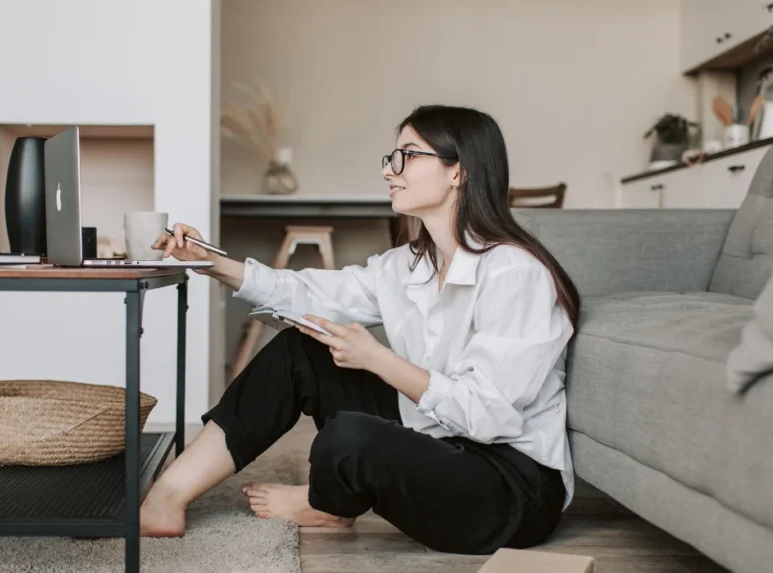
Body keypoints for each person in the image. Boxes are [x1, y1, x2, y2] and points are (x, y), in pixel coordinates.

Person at [141, 105, 582, 555]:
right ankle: (168, 494)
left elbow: (488, 417)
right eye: (392, 157)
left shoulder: (513, 272)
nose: (391, 170)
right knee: (301, 348)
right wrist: (210, 263)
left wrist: (378, 359)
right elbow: (305, 294)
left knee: (348, 439)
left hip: (511, 485)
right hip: (439, 441)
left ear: (458, 172)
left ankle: (325, 503)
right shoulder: (410, 264)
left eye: (408, 156)